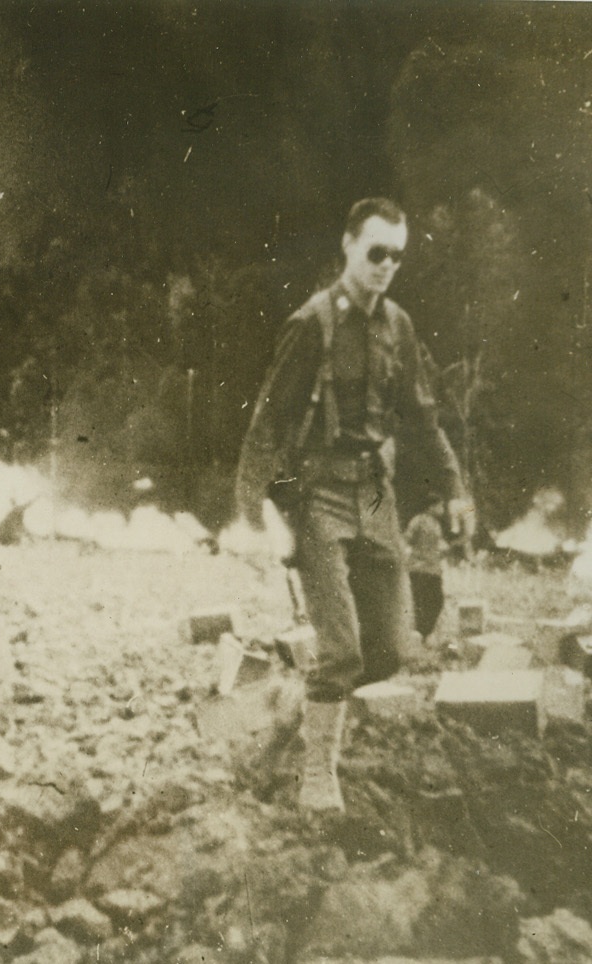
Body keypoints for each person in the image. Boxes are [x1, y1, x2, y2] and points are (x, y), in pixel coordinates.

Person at [236, 197, 472, 813]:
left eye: (397, 255)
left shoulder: (399, 326)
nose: (386, 265)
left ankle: (307, 701)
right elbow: (266, 423)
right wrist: (250, 517)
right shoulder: (311, 325)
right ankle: (318, 778)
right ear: (348, 247)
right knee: (340, 645)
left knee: (389, 650)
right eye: (376, 252)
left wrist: (454, 488)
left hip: (374, 494)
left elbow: (423, 419)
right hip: (315, 495)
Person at [406, 499, 448, 646]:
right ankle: (421, 634)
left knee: (437, 600)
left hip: (433, 569)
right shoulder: (418, 520)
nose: (443, 508)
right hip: (418, 567)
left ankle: (425, 632)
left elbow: (439, 545)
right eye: (440, 505)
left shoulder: (437, 524)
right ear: (431, 506)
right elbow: (407, 539)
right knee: (420, 600)